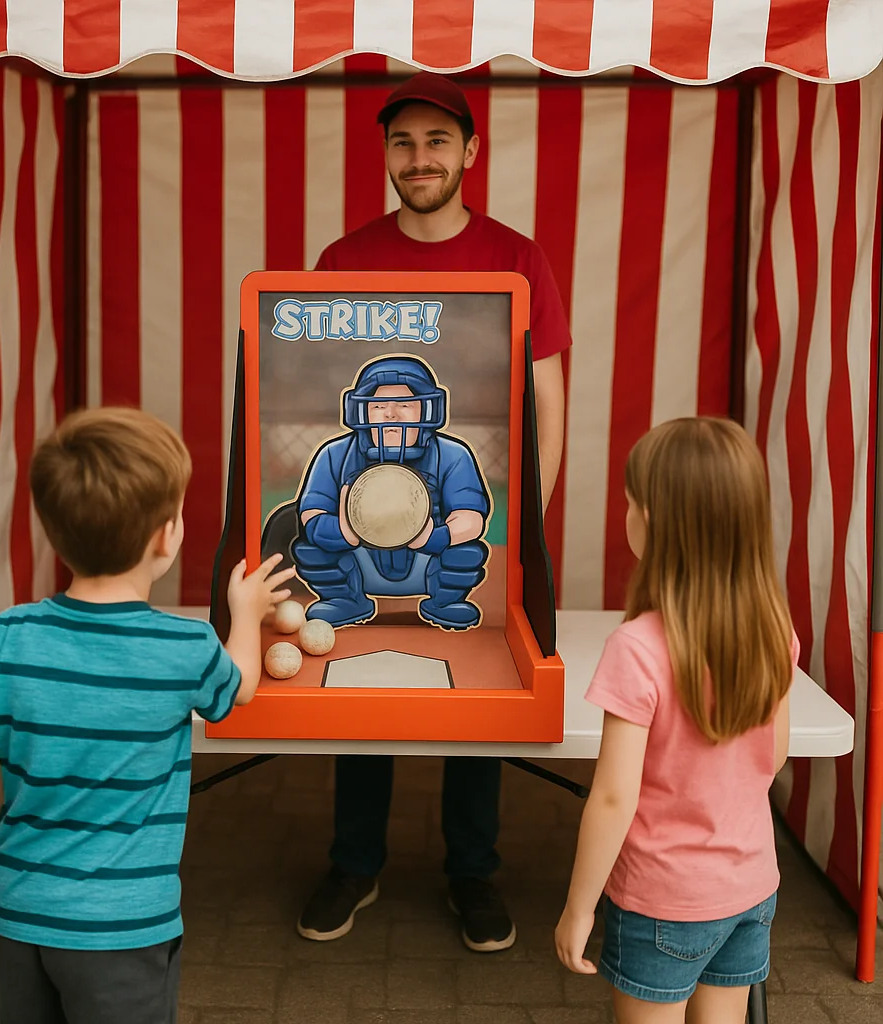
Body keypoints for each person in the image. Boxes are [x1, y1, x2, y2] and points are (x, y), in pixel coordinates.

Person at [298, 71, 573, 953]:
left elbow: (547, 397)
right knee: (358, 675)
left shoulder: (518, 258)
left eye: (438, 141)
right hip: (360, 540)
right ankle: (355, 861)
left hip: (465, 532)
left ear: (471, 152)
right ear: (387, 154)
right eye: (404, 142)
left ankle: (472, 870)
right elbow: (306, 379)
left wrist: (523, 524)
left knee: (480, 685)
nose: (420, 158)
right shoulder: (344, 261)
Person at [0, 407, 295, 1024]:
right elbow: (237, 689)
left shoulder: (13, 633)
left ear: (55, 531)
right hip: (123, 925)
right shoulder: (184, 647)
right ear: (166, 536)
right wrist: (246, 613)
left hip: (18, 905)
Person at [554, 417, 797, 1023]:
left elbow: (613, 798)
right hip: (751, 888)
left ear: (654, 521)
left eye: (629, 503)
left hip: (663, 899)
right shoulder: (775, 629)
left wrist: (579, 907)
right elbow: (774, 757)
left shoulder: (637, 648)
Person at [292, 354, 491, 629]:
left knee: (465, 551)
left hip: (427, 559)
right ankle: (344, 599)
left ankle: (445, 601)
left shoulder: (453, 455)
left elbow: (471, 518)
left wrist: (435, 537)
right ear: (361, 410)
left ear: (427, 409)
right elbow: (312, 513)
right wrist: (342, 531)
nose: (391, 414)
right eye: (378, 405)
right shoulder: (334, 454)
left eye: (405, 404)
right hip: (358, 558)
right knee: (312, 547)